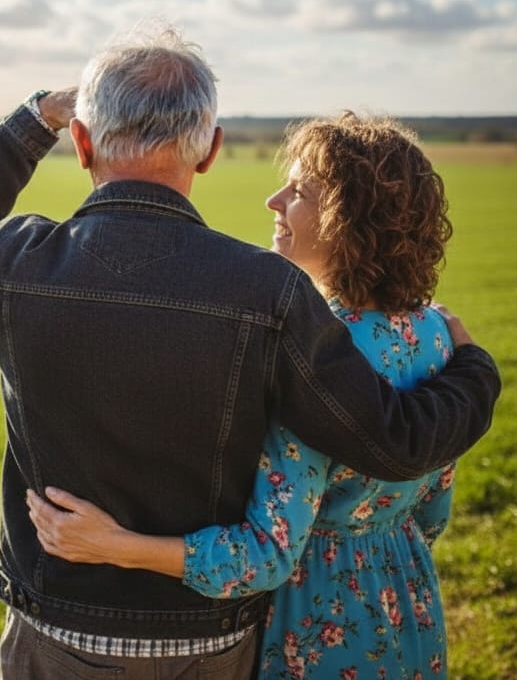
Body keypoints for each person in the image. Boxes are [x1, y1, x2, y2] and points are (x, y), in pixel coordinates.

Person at [0, 22, 500, 678]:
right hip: (210, 640)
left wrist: (36, 116)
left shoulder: (11, 262)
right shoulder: (267, 290)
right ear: (209, 149)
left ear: (80, 142)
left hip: (54, 626)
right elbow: (391, 441)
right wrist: (473, 370)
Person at [28, 112, 468, 678]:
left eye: (300, 191)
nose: (273, 200)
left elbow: (265, 557)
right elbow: (434, 509)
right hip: (406, 598)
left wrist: (115, 544)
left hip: (315, 622)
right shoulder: (438, 332)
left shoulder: (312, 350)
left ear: (350, 221)